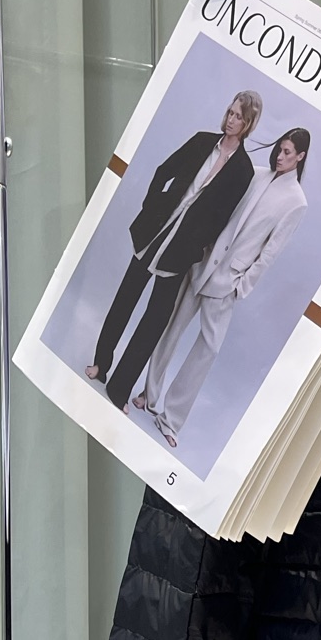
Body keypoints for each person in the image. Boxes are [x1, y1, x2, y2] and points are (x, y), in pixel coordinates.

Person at [135, 127, 311, 449]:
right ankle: (149, 393)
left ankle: (171, 419)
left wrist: (241, 286)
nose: (280, 156)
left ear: (300, 156)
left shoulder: (296, 202)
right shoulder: (257, 174)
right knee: (172, 327)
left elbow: (270, 252)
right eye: (280, 149)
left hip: (229, 279)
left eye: (288, 152)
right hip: (203, 262)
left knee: (209, 348)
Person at [85, 90, 260, 409]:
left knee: (154, 321)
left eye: (239, 117)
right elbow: (164, 170)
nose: (231, 120)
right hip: (155, 232)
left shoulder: (243, 170)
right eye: (230, 112)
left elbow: (221, 218)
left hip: (182, 249)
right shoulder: (202, 140)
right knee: (125, 300)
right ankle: (101, 364)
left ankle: (120, 389)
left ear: (248, 124)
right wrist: (152, 206)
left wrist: (196, 246)